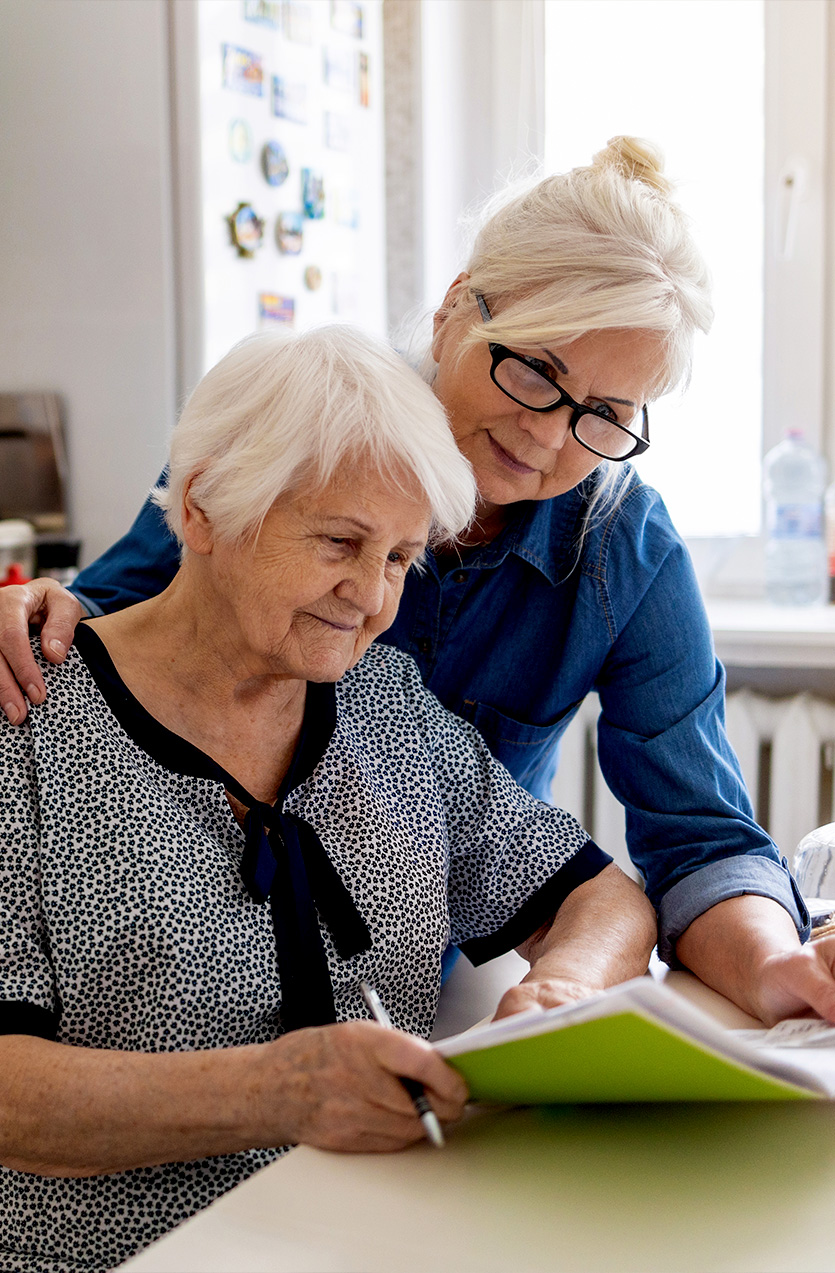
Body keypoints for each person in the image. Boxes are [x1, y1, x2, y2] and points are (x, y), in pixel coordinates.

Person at [3, 136, 835, 1025]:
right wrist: (26, 610)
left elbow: (696, 835)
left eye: (603, 415)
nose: (550, 439)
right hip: (199, 971)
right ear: (453, 313)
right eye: (535, 371)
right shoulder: (309, 431)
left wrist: (775, 965)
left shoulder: (621, 550)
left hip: (426, 958)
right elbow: (101, 619)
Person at [0, 325, 655, 1273]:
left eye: (398, 557)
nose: (370, 597)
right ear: (205, 508)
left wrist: (564, 988)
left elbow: (601, 895)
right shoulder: (28, 716)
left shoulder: (385, 706)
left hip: (386, 1241)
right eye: (340, 541)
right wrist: (275, 1091)